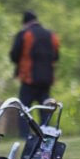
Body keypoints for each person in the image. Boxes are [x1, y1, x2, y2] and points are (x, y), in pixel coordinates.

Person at [9, 9, 60, 137]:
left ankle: (25, 135)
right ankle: (46, 133)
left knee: (24, 109)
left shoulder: (24, 34)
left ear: (25, 22)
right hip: (47, 79)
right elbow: (56, 56)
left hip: (29, 79)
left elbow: (14, 56)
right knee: (45, 108)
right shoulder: (51, 35)